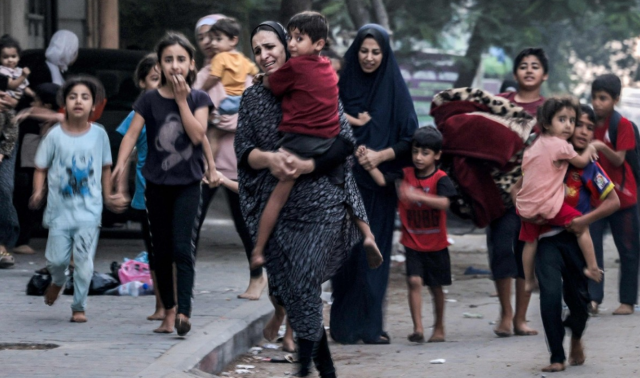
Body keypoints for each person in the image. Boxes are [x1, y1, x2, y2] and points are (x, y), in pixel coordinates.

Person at [237, 20, 368, 377]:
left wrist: (307, 163)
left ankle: (306, 369)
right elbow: (244, 153)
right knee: (296, 291)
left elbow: (344, 143)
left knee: (305, 279)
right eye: (257, 50)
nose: (264, 55)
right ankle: (322, 368)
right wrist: (270, 159)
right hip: (276, 203)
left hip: (321, 199)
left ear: (288, 46)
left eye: (271, 47)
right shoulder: (253, 96)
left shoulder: (317, 82)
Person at [250, 11, 382, 271]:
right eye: (290, 37)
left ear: (319, 44)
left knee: (277, 196)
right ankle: (368, 235)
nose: (292, 44)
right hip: (329, 140)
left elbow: (273, 85)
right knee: (348, 190)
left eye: (299, 39)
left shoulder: (295, 67)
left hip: (300, 141)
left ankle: (257, 250)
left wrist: (260, 80)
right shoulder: (328, 68)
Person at [112, 32, 215, 336]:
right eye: (168, 59)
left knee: (183, 249)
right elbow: (131, 133)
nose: (175, 65)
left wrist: (182, 101)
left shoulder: (199, 99)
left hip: (188, 184)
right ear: (159, 65)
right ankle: (167, 312)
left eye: (181, 59)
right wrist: (121, 162)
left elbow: (197, 135)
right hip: (155, 183)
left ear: (191, 64)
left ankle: (184, 311)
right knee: (161, 252)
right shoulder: (149, 99)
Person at [330, 24, 418, 345]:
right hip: (342, 185)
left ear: (385, 54)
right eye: (364, 51)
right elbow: (326, 126)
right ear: (356, 51)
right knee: (346, 258)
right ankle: (342, 326)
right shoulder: (339, 85)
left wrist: (380, 156)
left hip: (378, 189)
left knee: (373, 255)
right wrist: (352, 151)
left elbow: (411, 138)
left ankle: (370, 326)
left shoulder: (394, 89)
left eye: (376, 52)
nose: (369, 57)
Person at [517, 104, 620, 372]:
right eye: (578, 124)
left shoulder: (588, 167)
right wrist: (532, 211)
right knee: (549, 295)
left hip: (577, 240)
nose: (583, 131)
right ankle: (556, 357)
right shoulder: (549, 152)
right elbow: (520, 186)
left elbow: (613, 201)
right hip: (548, 240)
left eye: (588, 127)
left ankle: (575, 337)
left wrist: (583, 221)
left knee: (579, 303)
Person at [30, 76, 126, 322]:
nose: (78, 101)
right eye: (73, 97)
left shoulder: (99, 134)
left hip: (89, 212)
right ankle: (58, 280)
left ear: (94, 105)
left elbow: (105, 167)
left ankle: (79, 306)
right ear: (65, 103)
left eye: (85, 97)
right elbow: (40, 167)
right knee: (56, 260)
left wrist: (108, 196)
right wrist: (38, 191)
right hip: (59, 212)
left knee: (84, 262)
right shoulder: (54, 136)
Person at [192, 14, 267, 302]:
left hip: (238, 164)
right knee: (192, 223)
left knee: (245, 223)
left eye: (214, 35)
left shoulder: (243, 70)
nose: (209, 42)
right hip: (203, 164)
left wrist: (222, 121)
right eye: (203, 38)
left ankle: (257, 278)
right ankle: (184, 282)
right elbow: (191, 110)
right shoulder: (203, 74)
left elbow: (254, 114)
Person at [361, 127, 456, 343]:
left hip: (436, 244)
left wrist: (416, 195)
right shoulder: (405, 174)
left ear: (437, 155)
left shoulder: (441, 179)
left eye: (425, 153)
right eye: (415, 152)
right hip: (412, 242)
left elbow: (444, 202)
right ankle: (418, 329)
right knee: (413, 281)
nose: (419, 158)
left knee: (435, 287)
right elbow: (382, 180)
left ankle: (439, 326)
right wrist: (367, 163)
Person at [486, 47, 549, 338]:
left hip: (534, 194)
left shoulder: (550, 110)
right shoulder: (498, 103)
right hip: (498, 193)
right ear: (515, 73)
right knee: (500, 251)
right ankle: (505, 314)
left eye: (535, 66)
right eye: (523, 66)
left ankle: (521, 319)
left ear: (544, 74)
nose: (529, 70)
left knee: (526, 254)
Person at [516, 97, 602, 292]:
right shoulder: (560, 145)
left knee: (530, 242)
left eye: (572, 121)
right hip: (547, 206)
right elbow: (580, 162)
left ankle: (528, 280)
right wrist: (591, 147)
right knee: (581, 226)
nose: (569, 126)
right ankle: (592, 267)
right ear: (546, 123)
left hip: (526, 207)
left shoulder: (534, 146)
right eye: (562, 120)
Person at [113, 54, 164, 320]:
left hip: (176, 190)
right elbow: (128, 153)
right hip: (147, 193)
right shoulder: (137, 115)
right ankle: (160, 303)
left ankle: (175, 302)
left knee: (176, 249)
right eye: (154, 79)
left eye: (163, 79)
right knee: (154, 249)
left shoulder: (178, 109)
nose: (159, 84)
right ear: (142, 83)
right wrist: (121, 188)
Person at [589, 73, 640, 315]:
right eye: (595, 98)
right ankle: (593, 298)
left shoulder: (622, 125)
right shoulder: (586, 125)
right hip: (596, 199)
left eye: (604, 98)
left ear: (615, 100)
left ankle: (627, 302)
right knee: (591, 249)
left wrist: (600, 146)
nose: (598, 103)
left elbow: (620, 158)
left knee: (629, 249)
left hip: (623, 198)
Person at [12, 83, 60, 255]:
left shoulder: (51, 120)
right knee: (24, 204)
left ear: (46, 105)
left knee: (27, 205)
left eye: (36, 101)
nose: (32, 104)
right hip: (26, 168)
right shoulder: (30, 119)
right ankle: (20, 240)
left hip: (34, 168)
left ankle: (22, 239)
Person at [201, 17, 258, 159]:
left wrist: (202, 90)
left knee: (212, 134)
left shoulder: (220, 58)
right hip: (240, 105)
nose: (213, 43)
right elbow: (256, 75)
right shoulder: (243, 60)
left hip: (226, 104)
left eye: (218, 39)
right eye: (212, 39)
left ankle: (209, 167)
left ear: (233, 40)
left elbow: (214, 77)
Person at [0, 76, 20, 268]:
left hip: (4, 148)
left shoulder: (7, 110)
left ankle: (2, 244)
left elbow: (11, 132)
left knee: (3, 189)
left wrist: (2, 152)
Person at [0, 35, 35, 100]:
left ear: (18, 57)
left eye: (13, 56)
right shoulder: (3, 70)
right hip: (6, 100)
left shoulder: (19, 70)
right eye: (5, 57)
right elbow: (11, 85)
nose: (10, 60)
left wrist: (34, 95)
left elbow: (24, 87)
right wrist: (23, 76)